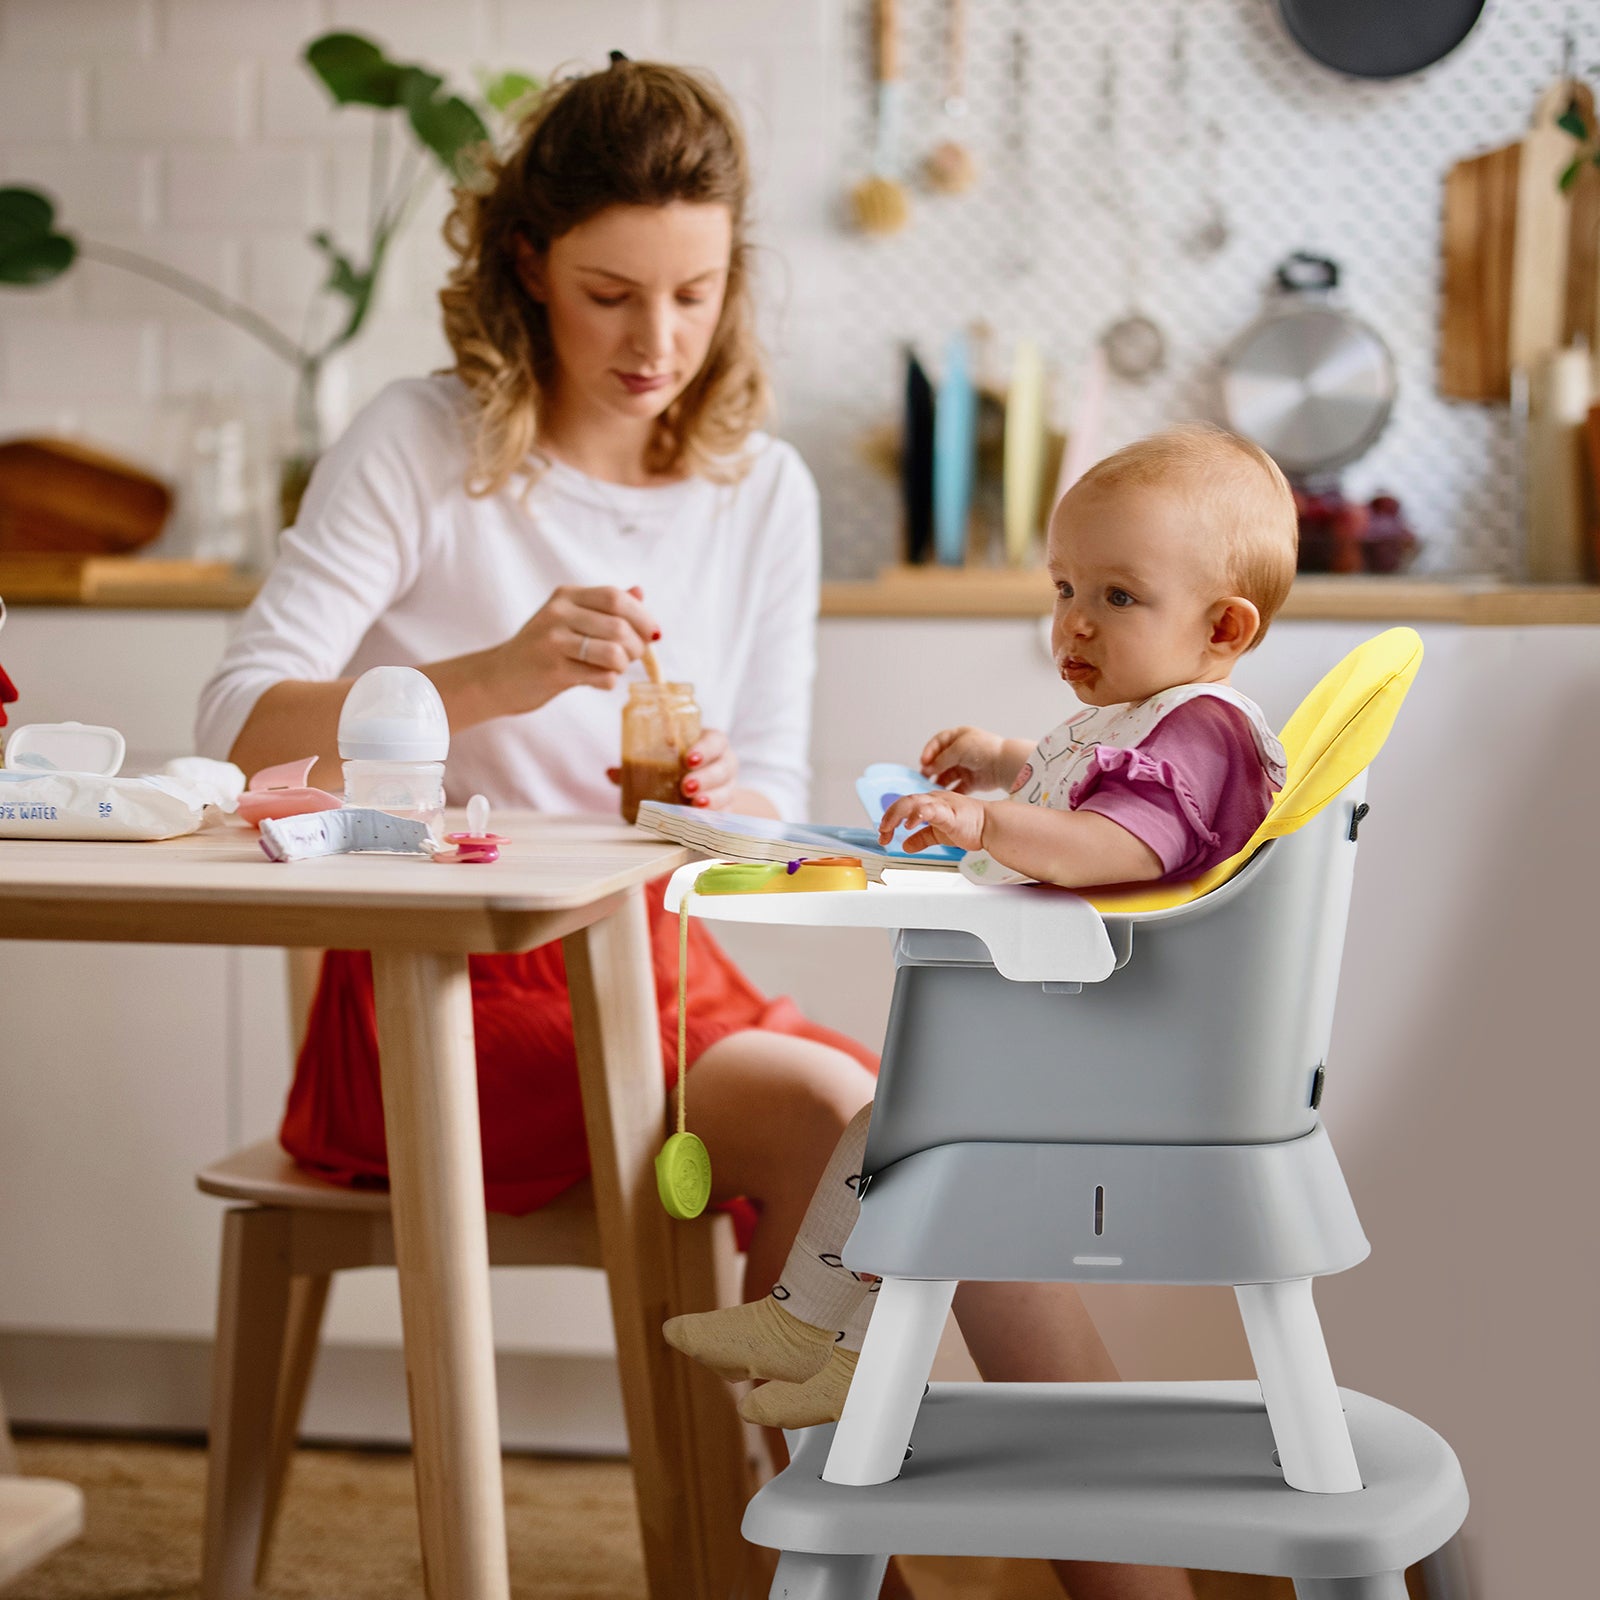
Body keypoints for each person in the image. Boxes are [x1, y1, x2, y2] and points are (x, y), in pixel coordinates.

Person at [197, 58, 1197, 1600]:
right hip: (435, 1003)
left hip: (653, 979)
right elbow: (234, 724)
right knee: (876, 1125)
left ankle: (1060, 1580)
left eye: (695, 292)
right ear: (527, 266)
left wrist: (724, 802)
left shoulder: (761, 489)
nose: (657, 342)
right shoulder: (424, 442)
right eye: (610, 293)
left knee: (929, 1141)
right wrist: (493, 676)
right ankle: (862, 1575)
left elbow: (772, 820)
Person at [664, 424, 1296, 1439]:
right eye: (1063, 590)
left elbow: (1111, 845)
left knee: (910, 1123)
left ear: (1223, 628)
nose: (1075, 625)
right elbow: (1082, 786)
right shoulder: (1154, 719)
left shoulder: (1203, 733)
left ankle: (836, 1346)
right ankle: (816, 1336)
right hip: (1097, 1033)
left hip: (1132, 1055)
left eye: (1116, 597)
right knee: (892, 1117)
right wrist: (1002, 762)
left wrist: (990, 822)